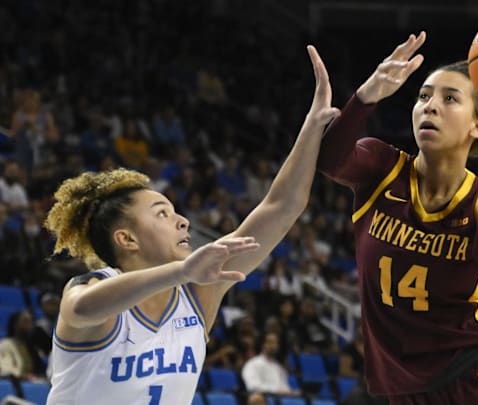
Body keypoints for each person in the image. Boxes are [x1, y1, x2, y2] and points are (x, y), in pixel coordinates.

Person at [42, 45, 340, 405]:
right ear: (127, 239)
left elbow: (282, 206)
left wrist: (313, 125)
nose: (183, 220)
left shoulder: (197, 294)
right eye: (162, 214)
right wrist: (182, 271)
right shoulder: (91, 292)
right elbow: (83, 307)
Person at [317, 31, 478, 404]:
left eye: (449, 98)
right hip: (408, 390)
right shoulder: (382, 168)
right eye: (423, 96)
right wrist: (366, 95)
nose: (429, 106)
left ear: (477, 126)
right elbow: (329, 160)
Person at [241, 332, 298, 396]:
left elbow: (284, 387)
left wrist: (292, 392)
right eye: (270, 342)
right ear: (263, 344)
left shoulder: (279, 367)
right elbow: (253, 387)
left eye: (275, 343)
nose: (273, 346)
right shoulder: (252, 364)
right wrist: (277, 391)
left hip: (280, 399)